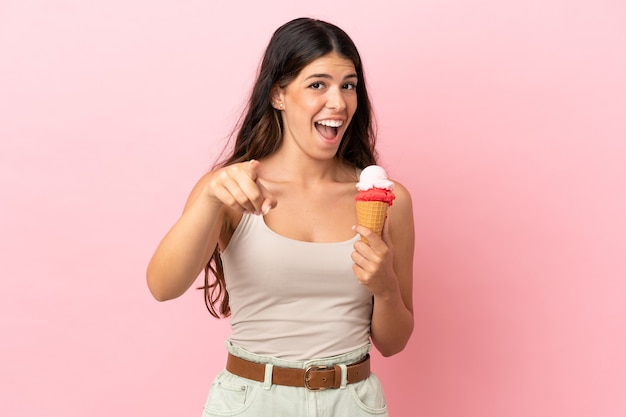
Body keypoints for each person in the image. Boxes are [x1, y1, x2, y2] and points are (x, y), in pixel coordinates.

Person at [146, 17, 415, 416]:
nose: (339, 103)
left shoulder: (390, 200)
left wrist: (386, 287)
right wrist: (209, 198)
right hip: (252, 400)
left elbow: (393, 343)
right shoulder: (231, 189)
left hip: (352, 402)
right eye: (317, 84)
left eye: (349, 85)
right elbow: (162, 286)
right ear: (278, 95)